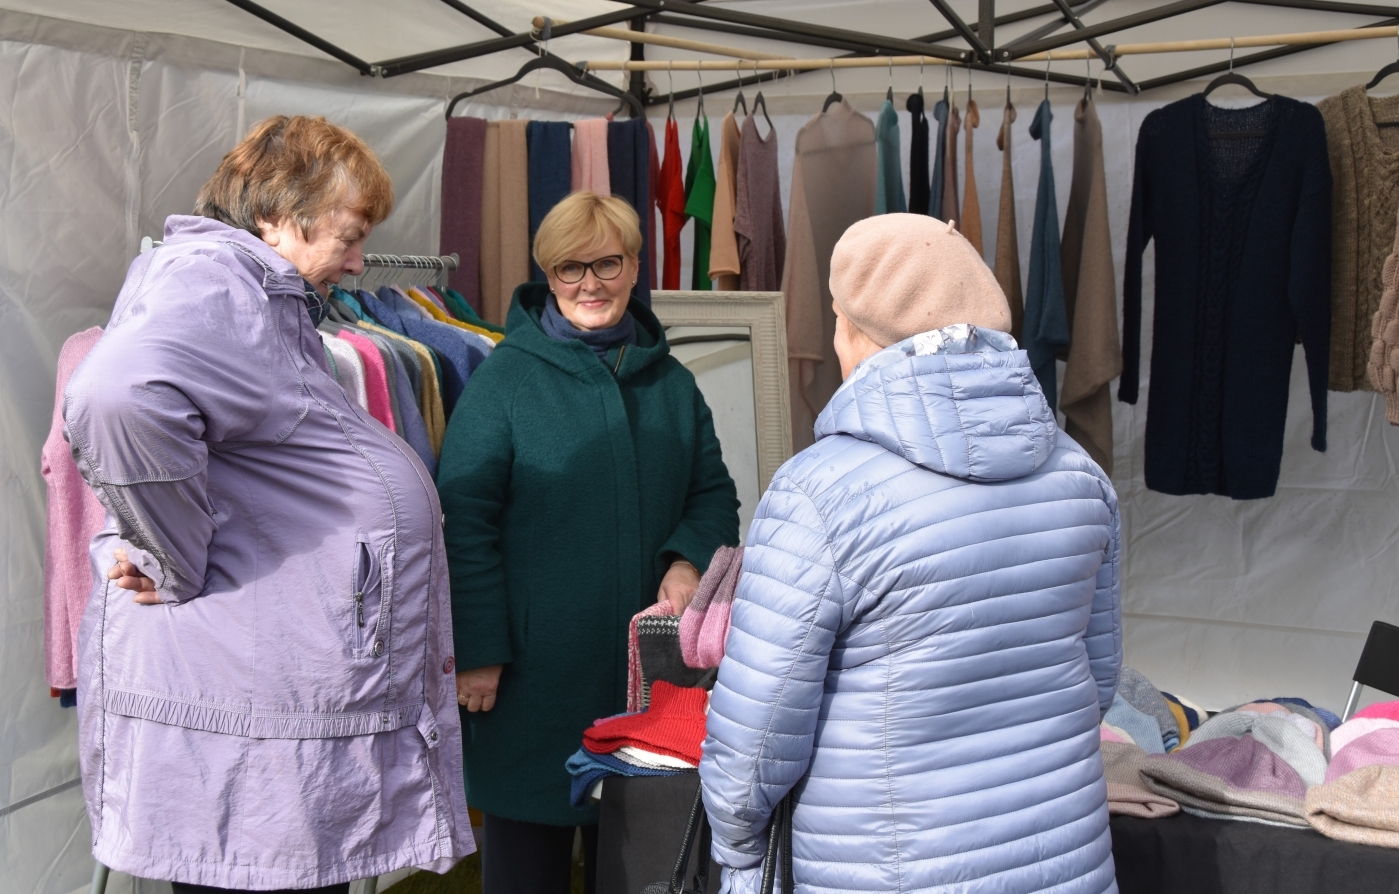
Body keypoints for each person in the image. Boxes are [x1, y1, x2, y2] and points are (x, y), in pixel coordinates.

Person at [64, 115, 473, 893]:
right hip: (250, 710)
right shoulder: (214, 282)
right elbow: (117, 396)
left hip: (264, 709)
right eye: (349, 236)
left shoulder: (255, 296)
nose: (357, 263)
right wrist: (174, 557)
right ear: (274, 217)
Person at [699, 214, 1123, 894]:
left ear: (855, 332)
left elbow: (757, 736)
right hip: (1058, 862)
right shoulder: (1079, 476)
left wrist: (735, 841)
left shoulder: (817, 494)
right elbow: (1096, 680)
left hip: (884, 869)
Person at [438, 191, 740, 894]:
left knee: (639, 860)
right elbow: (464, 521)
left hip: (648, 677)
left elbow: (712, 492)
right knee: (526, 869)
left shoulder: (671, 384)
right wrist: (478, 652)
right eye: (569, 268)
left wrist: (685, 560)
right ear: (547, 274)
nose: (589, 284)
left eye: (606, 263)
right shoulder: (504, 381)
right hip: (530, 680)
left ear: (635, 266)